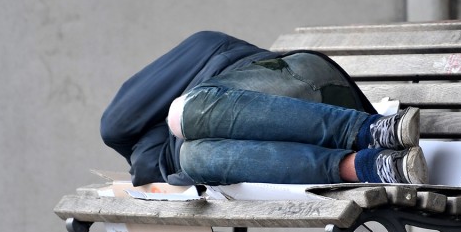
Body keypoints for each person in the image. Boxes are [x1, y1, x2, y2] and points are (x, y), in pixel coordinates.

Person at [100, 31, 428, 187]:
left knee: (190, 112)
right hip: (320, 142)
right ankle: (375, 167)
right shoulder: (178, 160)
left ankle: (373, 130)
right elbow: (118, 127)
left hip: (313, 90)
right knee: (194, 157)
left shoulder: (207, 51)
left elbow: (114, 126)